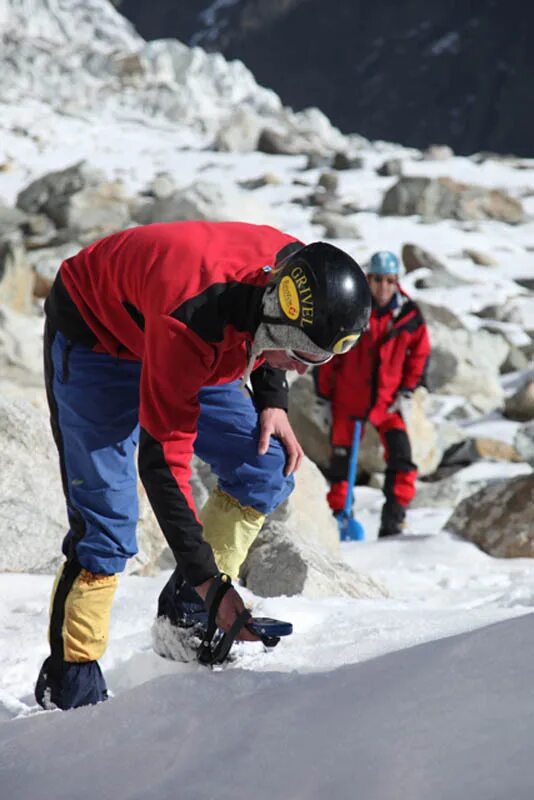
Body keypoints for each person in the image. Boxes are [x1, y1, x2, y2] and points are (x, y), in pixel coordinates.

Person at [35, 220, 372, 710]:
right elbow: (162, 463)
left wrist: (272, 399)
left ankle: (189, 617)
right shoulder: (192, 321)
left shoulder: (297, 268)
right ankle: (71, 687)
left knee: (266, 466)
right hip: (98, 342)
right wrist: (209, 579)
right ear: (277, 327)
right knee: (105, 528)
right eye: (302, 356)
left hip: (200, 336)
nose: (303, 369)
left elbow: (273, 336)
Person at [315, 250, 430, 537]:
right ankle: (339, 518)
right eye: (377, 279)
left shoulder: (408, 315)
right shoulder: (352, 306)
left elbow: (419, 354)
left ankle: (393, 521)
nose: (383, 287)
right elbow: (332, 352)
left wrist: (407, 390)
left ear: (397, 281)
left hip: (388, 404)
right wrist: (323, 397)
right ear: (368, 279)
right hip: (348, 400)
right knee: (341, 466)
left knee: (401, 459)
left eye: (389, 280)